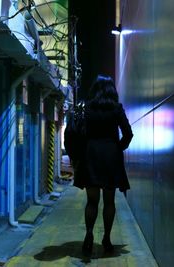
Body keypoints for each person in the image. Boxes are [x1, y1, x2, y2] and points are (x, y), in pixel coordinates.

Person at [71, 75, 133, 256]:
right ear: (111, 90)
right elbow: (128, 133)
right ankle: (106, 238)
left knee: (91, 201)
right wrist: (117, 148)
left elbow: (80, 134)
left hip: (91, 157)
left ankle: (89, 234)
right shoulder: (116, 108)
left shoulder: (87, 108)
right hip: (110, 158)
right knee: (109, 201)